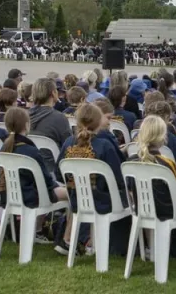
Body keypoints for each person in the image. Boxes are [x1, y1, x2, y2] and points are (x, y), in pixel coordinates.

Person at [56, 103, 128, 256]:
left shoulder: (68, 143)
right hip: (104, 202)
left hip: (76, 201)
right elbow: (119, 179)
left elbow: (58, 174)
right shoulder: (105, 146)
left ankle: (80, 241)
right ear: (98, 122)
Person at [128, 115, 176, 258]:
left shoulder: (131, 162)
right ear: (162, 137)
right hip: (168, 209)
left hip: (142, 208)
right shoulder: (165, 163)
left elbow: (130, 191)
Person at [0, 107, 67, 243]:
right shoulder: (30, 150)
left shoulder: (4, 148)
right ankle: (68, 239)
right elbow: (45, 181)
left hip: (8, 196)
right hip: (31, 197)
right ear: (27, 125)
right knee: (72, 193)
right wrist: (57, 186)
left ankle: (37, 230)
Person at [27, 78, 71, 175]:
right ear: (53, 93)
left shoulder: (25, 116)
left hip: (29, 169)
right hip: (52, 172)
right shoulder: (59, 118)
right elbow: (68, 148)